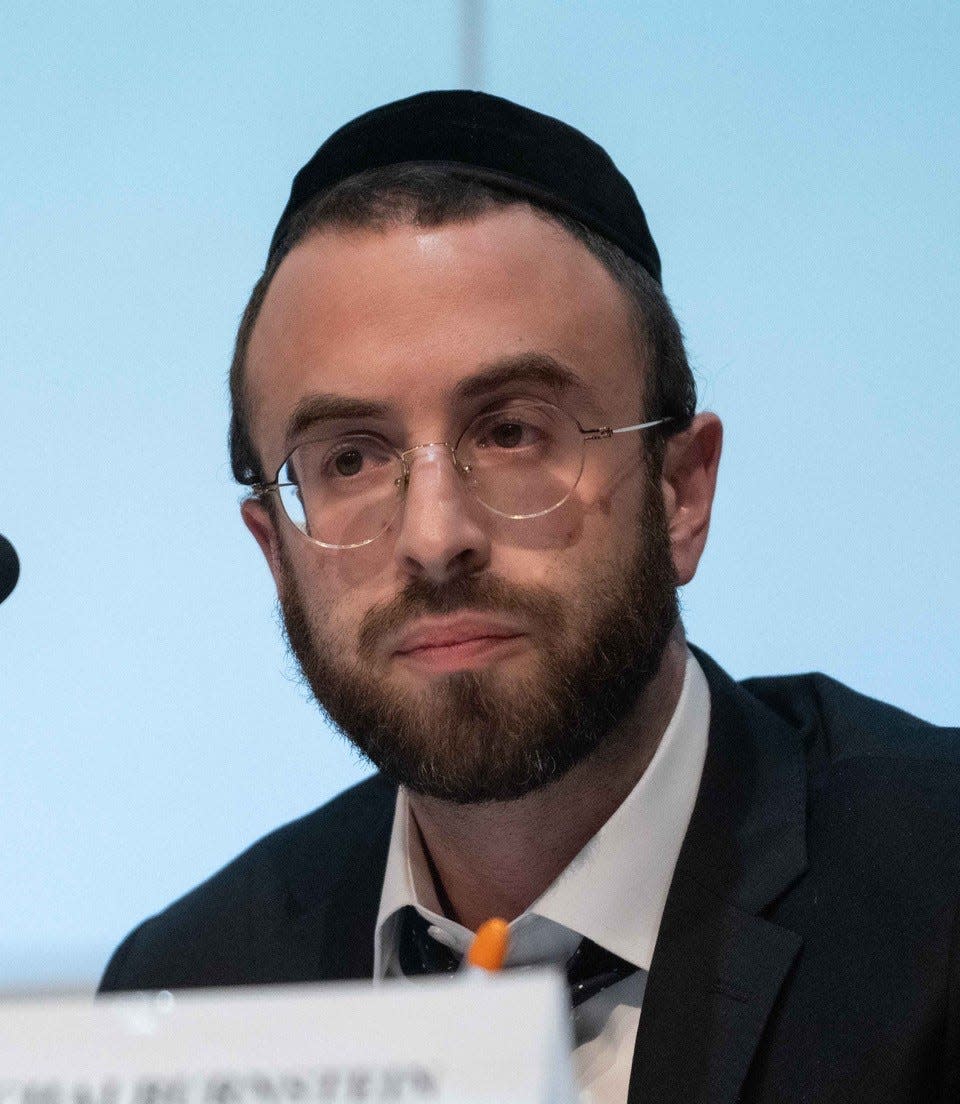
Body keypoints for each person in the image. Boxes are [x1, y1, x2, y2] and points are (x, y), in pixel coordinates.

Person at [100, 91, 960, 1103]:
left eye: (512, 432)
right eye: (349, 457)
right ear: (275, 554)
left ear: (682, 492)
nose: (434, 538)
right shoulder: (193, 996)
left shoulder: (937, 901)